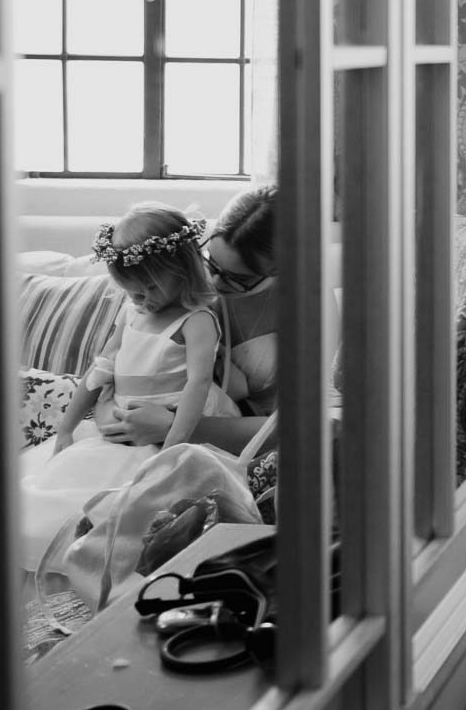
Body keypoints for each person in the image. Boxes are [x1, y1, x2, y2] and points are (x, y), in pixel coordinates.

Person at [20, 203, 241, 570]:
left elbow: (197, 384)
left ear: (181, 271)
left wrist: (171, 454)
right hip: (118, 424)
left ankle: (99, 567)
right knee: (49, 486)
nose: (141, 299)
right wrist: (66, 428)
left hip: (169, 426)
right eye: (131, 291)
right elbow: (100, 369)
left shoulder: (197, 320)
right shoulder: (133, 309)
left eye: (150, 288)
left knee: (127, 504)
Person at [95, 185, 278, 455]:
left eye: (239, 278)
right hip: (145, 434)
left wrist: (172, 426)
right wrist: (119, 416)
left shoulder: (309, 309)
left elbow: (317, 426)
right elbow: (113, 372)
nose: (215, 282)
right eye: (211, 262)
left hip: (252, 445)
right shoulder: (172, 288)